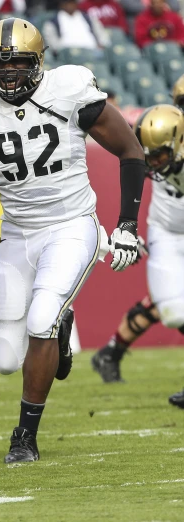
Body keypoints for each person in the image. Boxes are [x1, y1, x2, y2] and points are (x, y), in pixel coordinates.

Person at [0, 17, 145, 463]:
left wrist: (127, 224)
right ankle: (61, 330)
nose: (7, 74)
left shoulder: (69, 88)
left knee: (41, 319)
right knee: (3, 358)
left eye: (17, 63)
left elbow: (131, 151)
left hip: (72, 224)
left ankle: (24, 435)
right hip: (17, 232)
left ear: (38, 63)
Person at [92, 105, 184, 387]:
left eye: (161, 156)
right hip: (168, 231)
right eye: (150, 157)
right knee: (173, 311)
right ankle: (111, 352)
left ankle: (111, 351)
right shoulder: (153, 136)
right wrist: (129, 232)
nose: (154, 164)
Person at [43, 0, 110, 53]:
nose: (70, 5)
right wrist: (59, 51)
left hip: (92, 50)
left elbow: (101, 33)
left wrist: (102, 44)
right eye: (67, 3)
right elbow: (51, 42)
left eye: (72, 2)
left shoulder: (87, 17)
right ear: (61, 5)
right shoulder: (54, 21)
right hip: (68, 53)